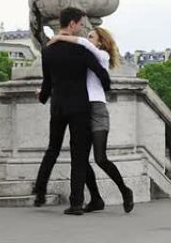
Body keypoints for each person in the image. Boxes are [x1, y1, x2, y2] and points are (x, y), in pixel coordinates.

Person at [33, 7, 111, 216]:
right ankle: (76, 203)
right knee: (79, 156)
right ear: (74, 24)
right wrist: (104, 87)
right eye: (80, 24)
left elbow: (47, 83)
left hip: (58, 106)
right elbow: (102, 75)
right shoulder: (82, 50)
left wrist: (41, 97)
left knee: (52, 149)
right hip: (80, 107)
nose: (81, 28)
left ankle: (40, 191)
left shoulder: (48, 51)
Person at [49, 26, 134, 213]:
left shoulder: (101, 56)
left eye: (91, 37)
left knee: (101, 158)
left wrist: (59, 38)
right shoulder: (83, 59)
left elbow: (83, 43)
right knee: (81, 159)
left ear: (101, 42)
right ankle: (96, 198)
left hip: (97, 109)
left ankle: (125, 190)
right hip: (82, 108)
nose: (87, 39)